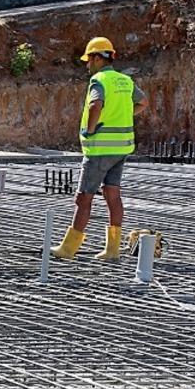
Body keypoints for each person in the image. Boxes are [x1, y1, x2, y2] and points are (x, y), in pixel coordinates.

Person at [51, 37, 148, 261]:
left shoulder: (99, 80)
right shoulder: (125, 80)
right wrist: (123, 117)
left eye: (89, 60)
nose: (87, 65)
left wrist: (91, 128)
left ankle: (68, 248)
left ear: (97, 58)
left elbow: (96, 104)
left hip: (99, 149)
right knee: (112, 195)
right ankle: (112, 249)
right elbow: (143, 103)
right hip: (122, 148)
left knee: (83, 197)